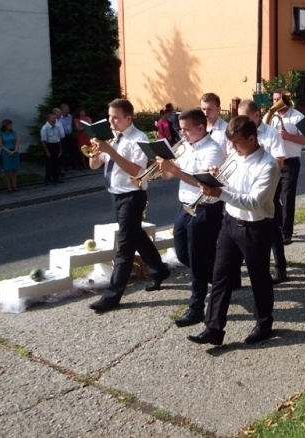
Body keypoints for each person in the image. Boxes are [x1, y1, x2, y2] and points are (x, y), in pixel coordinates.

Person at [187, 115, 280, 346]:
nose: (233, 147)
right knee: (220, 277)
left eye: (237, 142)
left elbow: (253, 202)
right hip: (230, 223)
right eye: (231, 143)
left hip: (256, 227)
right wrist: (215, 177)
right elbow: (229, 187)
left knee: (259, 278)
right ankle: (214, 328)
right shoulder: (236, 157)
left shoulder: (268, 165)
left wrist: (219, 193)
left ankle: (264, 323)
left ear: (251, 138)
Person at [87, 98, 171, 313]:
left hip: (132, 196)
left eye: (115, 117)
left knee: (124, 246)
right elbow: (94, 164)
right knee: (136, 236)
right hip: (116, 195)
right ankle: (159, 269)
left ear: (128, 118)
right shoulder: (111, 137)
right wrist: (97, 151)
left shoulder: (138, 139)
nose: (111, 121)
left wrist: (111, 150)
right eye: (109, 116)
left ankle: (112, 296)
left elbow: (136, 170)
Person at [156, 108, 225, 328]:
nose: (182, 133)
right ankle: (221, 276)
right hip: (184, 205)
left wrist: (175, 170)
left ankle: (196, 307)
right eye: (180, 128)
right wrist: (164, 166)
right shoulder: (184, 147)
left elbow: (205, 184)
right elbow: (167, 176)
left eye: (186, 129)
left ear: (200, 128)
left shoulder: (213, 150)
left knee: (196, 259)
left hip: (205, 208)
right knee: (182, 252)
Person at [237, 99, 288, 283]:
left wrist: (260, 168)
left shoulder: (271, 133)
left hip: (268, 184)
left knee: (273, 229)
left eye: (246, 118)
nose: (243, 122)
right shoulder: (240, 132)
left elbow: (280, 161)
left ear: (257, 115)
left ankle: (280, 268)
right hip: (244, 186)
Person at [268, 90, 305, 246]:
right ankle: (278, 224)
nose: (276, 103)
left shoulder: (299, 116)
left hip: (290, 162)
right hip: (273, 162)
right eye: (274, 100)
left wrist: (289, 137)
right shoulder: (271, 117)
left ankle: (286, 233)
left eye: (279, 99)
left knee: (287, 198)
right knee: (272, 197)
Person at [40, 113, 63, 186]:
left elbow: (58, 138)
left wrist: (60, 148)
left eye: (55, 118)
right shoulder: (45, 128)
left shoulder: (56, 127)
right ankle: (47, 180)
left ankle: (55, 179)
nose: (54, 120)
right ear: (48, 119)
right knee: (49, 164)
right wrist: (47, 151)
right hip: (49, 145)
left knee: (56, 163)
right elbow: (43, 141)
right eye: (53, 118)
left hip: (56, 145)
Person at [0, 119, 20, 192]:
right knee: (7, 171)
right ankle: (9, 186)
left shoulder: (13, 132)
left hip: (14, 151)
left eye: (11, 125)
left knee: (14, 170)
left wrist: (15, 150)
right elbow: (1, 145)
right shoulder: (0, 134)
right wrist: (8, 151)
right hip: (6, 153)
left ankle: (15, 185)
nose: (10, 126)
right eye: (9, 125)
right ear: (5, 125)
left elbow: (16, 141)